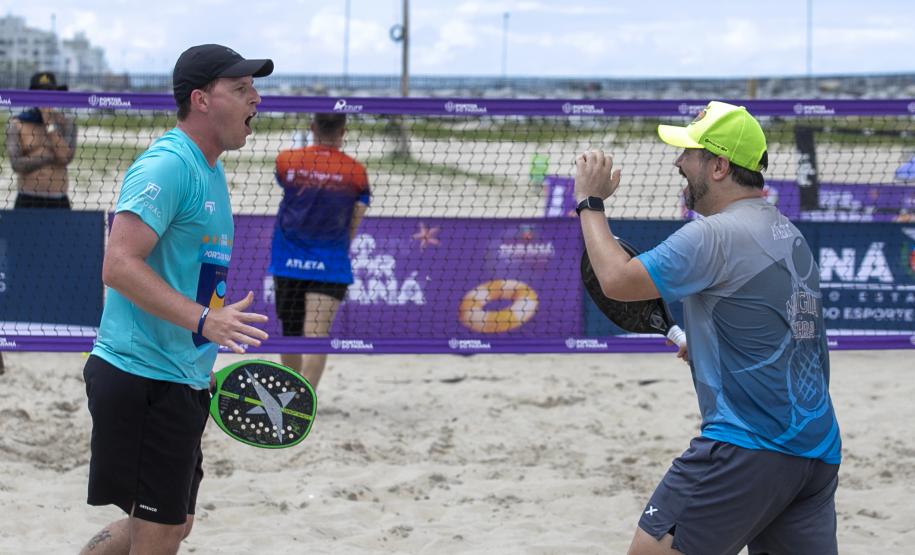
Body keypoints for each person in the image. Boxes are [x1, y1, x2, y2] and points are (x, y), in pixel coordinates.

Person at [574, 101, 841, 555]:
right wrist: (710, 348)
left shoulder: (713, 235)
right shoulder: (786, 231)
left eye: (689, 153)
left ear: (719, 166)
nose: (679, 162)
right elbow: (786, 334)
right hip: (815, 451)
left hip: (747, 446)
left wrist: (589, 202)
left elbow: (617, 280)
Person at [79, 44, 273, 555]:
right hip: (141, 376)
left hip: (178, 374)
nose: (257, 98)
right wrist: (204, 321)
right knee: (159, 534)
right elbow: (118, 264)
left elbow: (191, 276)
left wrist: (198, 351)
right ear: (201, 100)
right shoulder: (167, 166)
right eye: (241, 88)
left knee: (174, 523)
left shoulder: (208, 168)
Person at [269, 112, 370, 390]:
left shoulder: (287, 160)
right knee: (317, 334)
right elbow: (355, 217)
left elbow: (284, 185)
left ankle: (291, 396)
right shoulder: (356, 172)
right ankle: (305, 400)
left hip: (288, 260)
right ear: (343, 131)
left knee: (290, 334)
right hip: (330, 262)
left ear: (312, 127)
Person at [5, 71, 77, 209]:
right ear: (32, 95)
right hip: (27, 199)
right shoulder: (16, 124)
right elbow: (16, 165)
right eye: (42, 93)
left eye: (50, 93)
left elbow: (64, 158)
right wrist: (49, 156)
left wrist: (48, 121)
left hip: (59, 200)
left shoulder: (67, 123)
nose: (46, 98)